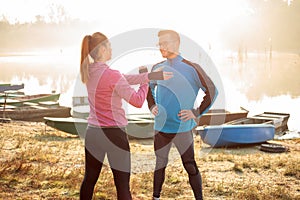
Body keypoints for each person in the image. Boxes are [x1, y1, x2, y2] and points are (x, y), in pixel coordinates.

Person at [79, 32, 173, 200]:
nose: (112, 49)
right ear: (101, 49)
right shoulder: (112, 75)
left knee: (89, 180)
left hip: (93, 133)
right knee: (122, 186)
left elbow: (125, 78)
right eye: (109, 46)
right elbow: (137, 101)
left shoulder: (88, 72)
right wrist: (146, 82)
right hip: (114, 134)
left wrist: (152, 75)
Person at [147, 30, 218, 200]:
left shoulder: (191, 68)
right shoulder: (157, 68)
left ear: (176, 43)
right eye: (159, 43)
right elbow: (148, 88)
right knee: (160, 165)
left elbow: (212, 91)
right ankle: (155, 197)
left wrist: (196, 112)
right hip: (161, 128)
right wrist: (152, 105)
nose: (160, 47)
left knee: (190, 166)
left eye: (164, 43)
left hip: (182, 128)